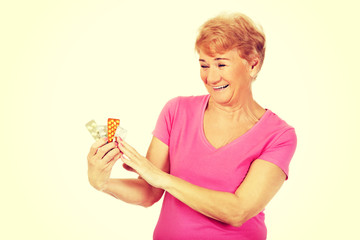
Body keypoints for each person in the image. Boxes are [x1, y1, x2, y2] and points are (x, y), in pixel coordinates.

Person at [87, 12, 297, 240]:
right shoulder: (176, 111)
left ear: (253, 65)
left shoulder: (279, 136)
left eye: (221, 64)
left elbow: (238, 211)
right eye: (204, 65)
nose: (211, 77)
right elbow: (149, 192)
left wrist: (163, 178)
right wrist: (102, 182)